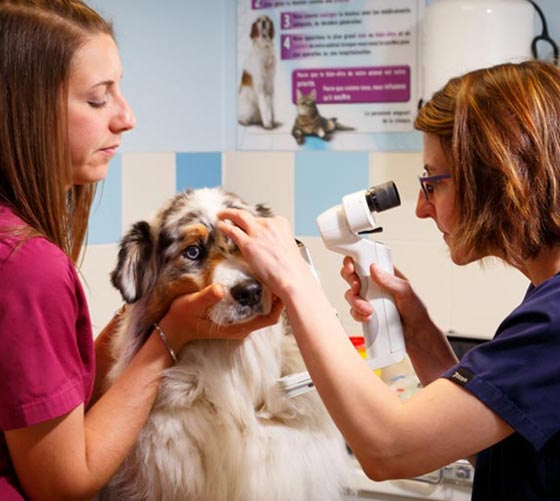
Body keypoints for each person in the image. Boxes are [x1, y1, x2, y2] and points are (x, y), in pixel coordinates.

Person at [0, 1, 281, 499]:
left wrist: (145, 313)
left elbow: (45, 404)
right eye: (97, 100)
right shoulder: (21, 265)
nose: (126, 118)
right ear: (24, 110)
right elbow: (64, 481)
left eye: (119, 91)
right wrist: (167, 339)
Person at [218, 59, 560, 500]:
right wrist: (421, 338)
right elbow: (501, 450)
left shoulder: (553, 321)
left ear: (497, 175)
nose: (421, 206)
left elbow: (388, 449)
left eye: (432, 182)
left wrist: (296, 283)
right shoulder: (544, 296)